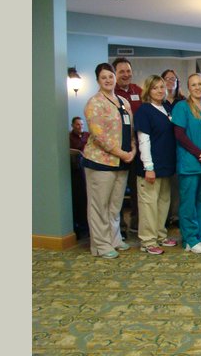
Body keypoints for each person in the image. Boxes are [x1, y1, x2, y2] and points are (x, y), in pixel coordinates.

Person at [83, 62, 136, 259]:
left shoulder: (123, 101)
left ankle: (114, 239)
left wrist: (132, 149)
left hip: (122, 162)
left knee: (115, 206)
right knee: (99, 206)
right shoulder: (94, 103)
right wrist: (122, 153)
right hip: (100, 162)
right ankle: (101, 245)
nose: (108, 80)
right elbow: (100, 136)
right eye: (103, 77)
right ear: (98, 80)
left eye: (110, 76)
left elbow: (129, 129)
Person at [172, 73, 201, 255]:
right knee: (188, 203)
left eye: (200, 84)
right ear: (188, 88)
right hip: (190, 163)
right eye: (194, 85)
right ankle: (189, 239)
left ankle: (199, 234)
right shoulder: (181, 107)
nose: (198, 87)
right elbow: (180, 135)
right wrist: (200, 153)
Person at [134, 75, 178, 255]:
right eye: (155, 88)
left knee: (163, 203)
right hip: (150, 167)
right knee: (148, 205)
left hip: (166, 166)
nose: (160, 90)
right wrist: (149, 167)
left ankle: (160, 235)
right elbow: (143, 140)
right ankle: (148, 241)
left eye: (162, 87)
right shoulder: (144, 111)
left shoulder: (167, 107)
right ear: (148, 91)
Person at [113, 57, 143, 234]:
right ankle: (119, 227)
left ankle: (136, 222)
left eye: (128, 71)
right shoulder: (111, 93)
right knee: (117, 190)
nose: (125, 74)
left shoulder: (138, 91)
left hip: (137, 150)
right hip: (117, 150)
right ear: (115, 74)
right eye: (121, 71)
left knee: (137, 190)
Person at [161, 69, 185, 228]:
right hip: (162, 147)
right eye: (167, 79)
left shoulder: (183, 102)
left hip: (179, 147)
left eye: (173, 79)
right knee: (164, 185)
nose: (170, 82)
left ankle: (176, 215)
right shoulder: (158, 102)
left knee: (177, 184)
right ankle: (165, 216)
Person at [69, 117, 90, 238]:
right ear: (73, 125)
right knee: (79, 198)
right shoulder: (69, 137)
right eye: (77, 124)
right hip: (77, 171)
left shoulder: (87, 135)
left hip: (88, 167)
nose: (80, 126)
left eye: (81, 124)